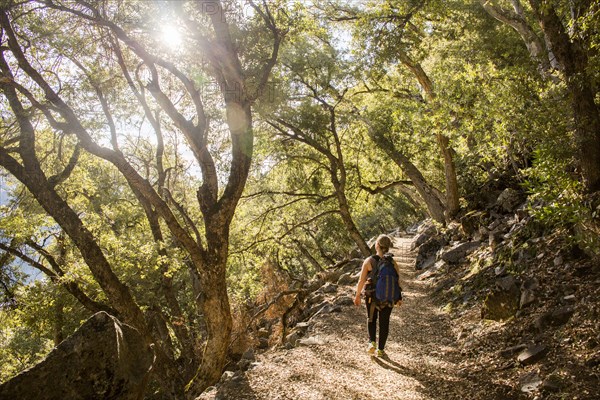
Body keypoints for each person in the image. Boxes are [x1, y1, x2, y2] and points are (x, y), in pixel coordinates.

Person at [354, 234, 402, 357]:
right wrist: (399, 297)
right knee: (384, 323)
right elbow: (397, 280)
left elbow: (361, 280)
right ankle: (381, 350)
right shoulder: (392, 262)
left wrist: (357, 295)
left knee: (371, 319)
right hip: (388, 297)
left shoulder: (369, 261)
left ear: (377, 245)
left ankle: (372, 343)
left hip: (372, 296)